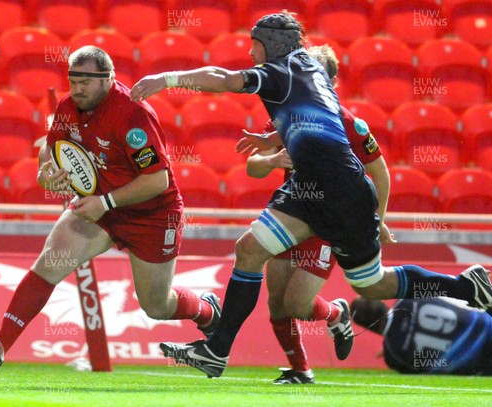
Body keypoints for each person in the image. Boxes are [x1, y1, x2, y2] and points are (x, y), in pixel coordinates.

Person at [130, 11, 492, 378]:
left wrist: (166, 78)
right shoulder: (307, 68)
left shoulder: (281, 71)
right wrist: (273, 141)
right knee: (250, 250)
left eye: (254, 44)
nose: (250, 51)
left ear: (270, 45)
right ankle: (218, 350)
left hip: (341, 191)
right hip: (308, 189)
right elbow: (310, 114)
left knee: (371, 284)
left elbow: (223, 79)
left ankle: (466, 286)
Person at [0, 45, 221, 377]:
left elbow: (156, 180)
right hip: (101, 207)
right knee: (49, 265)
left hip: (152, 215)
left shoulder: (133, 115)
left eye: (87, 81)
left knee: (156, 305)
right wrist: (46, 173)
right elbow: (51, 150)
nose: (78, 89)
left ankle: (207, 314)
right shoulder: (69, 106)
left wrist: (105, 202)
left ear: (108, 79)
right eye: (74, 80)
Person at [244, 44, 394, 384]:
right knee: (277, 305)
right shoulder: (286, 118)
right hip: (289, 215)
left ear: (332, 82)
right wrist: (270, 161)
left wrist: (379, 219)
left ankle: (336, 314)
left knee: (297, 303)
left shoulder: (350, 125)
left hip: (326, 222)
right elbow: (252, 167)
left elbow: (380, 172)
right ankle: (300, 369)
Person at [351, 294, 492, 375]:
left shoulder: (394, 355)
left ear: (367, 328)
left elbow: (428, 373)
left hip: (481, 364)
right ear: (380, 301)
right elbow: (457, 299)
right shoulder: (409, 298)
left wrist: (394, 345)